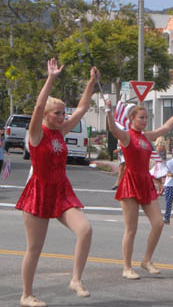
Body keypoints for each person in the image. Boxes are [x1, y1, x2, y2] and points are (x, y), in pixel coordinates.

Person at [15, 60, 97, 306]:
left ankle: (75, 279)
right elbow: (39, 106)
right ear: (47, 116)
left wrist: (91, 82)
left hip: (61, 190)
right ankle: (26, 295)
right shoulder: (37, 134)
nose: (62, 117)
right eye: (57, 113)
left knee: (85, 230)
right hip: (39, 190)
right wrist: (50, 78)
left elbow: (82, 108)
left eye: (63, 113)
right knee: (35, 248)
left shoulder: (61, 132)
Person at [105, 96, 173, 280]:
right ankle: (127, 267)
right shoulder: (127, 136)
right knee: (131, 229)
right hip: (130, 182)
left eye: (145, 118)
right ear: (132, 119)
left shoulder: (146, 137)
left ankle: (146, 260)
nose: (144, 121)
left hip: (145, 181)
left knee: (158, 223)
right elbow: (112, 129)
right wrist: (108, 111)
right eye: (141, 117)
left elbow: (166, 128)